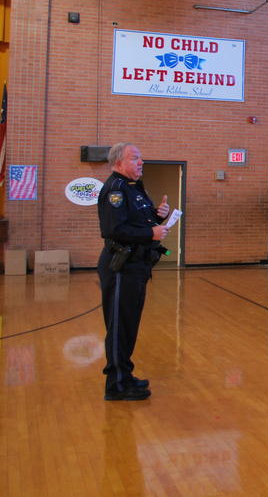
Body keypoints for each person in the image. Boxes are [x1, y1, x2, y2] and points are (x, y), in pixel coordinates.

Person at [98, 142, 170, 401]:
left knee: (129, 324)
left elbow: (137, 222)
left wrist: (157, 217)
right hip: (121, 266)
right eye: (135, 158)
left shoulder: (134, 188)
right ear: (119, 162)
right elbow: (114, 230)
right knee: (119, 325)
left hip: (136, 266)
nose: (141, 162)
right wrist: (151, 232)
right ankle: (116, 385)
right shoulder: (115, 190)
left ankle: (125, 376)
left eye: (141, 158)